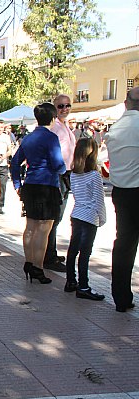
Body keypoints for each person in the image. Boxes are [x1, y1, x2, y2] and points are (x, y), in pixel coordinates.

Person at [11, 103, 66, 285]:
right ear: (52, 118)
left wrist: (18, 183)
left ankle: (29, 262)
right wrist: (64, 168)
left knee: (30, 226)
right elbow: (58, 163)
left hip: (30, 185)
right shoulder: (51, 138)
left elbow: (15, 162)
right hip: (47, 185)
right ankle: (38, 267)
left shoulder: (28, 138)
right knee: (44, 228)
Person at [107, 86, 139, 313]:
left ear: (126, 103)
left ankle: (121, 296)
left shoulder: (116, 129)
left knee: (123, 244)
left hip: (121, 192)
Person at [64, 137, 106, 301]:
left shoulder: (74, 174)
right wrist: (102, 218)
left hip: (77, 213)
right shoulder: (94, 175)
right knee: (85, 252)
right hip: (89, 217)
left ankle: (70, 281)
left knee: (73, 249)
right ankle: (83, 285)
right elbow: (99, 200)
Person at [44, 94, 75, 272]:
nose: (65, 109)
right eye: (61, 106)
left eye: (67, 105)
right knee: (54, 216)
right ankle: (49, 255)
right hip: (58, 174)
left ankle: (50, 251)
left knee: (58, 216)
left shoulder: (66, 126)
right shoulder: (54, 127)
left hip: (67, 174)